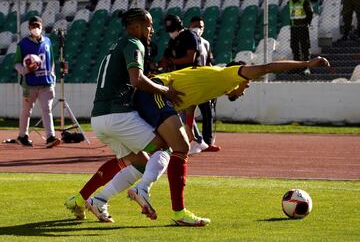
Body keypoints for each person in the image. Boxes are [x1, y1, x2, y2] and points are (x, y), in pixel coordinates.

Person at [65, 56, 330, 225]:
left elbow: (187, 105)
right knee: (177, 149)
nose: (246, 85)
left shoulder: (216, 82)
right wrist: (306, 64)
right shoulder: (228, 74)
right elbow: (268, 67)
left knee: (140, 156)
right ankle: (163, 203)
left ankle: (90, 199)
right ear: (240, 71)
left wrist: (186, 129)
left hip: (153, 98)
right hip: (156, 92)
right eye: (246, 81)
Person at [65, 8, 210, 226]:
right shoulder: (134, 44)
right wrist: (165, 92)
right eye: (148, 25)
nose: (151, 30)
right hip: (118, 116)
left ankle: (97, 200)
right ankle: (161, 202)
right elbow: (137, 80)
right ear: (135, 26)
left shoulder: (115, 46)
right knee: (164, 148)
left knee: (139, 161)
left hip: (100, 119)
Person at [159, 14, 210, 154]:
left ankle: (193, 139)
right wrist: (159, 65)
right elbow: (166, 58)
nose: (171, 32)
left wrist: (171, 62)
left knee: (185, 109)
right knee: (183, 109)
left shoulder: (189, 36)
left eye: (172, 29)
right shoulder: (173, 41)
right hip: (181, 77)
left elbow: (190, 58)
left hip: (193, 75)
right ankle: (197, 140)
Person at [14, 16, 61, 148]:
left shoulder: (47, 42)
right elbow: (16, 64)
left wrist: (53, 79)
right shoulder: (22, 44)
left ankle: (50, 137)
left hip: (46, 83)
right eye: (33, 26)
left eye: (38, 26)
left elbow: (51, 62)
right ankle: (22, 136)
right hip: (29, 84)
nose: (36, 28)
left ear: (42, 27)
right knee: (26, 111)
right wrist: (26, 69)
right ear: (29, 28)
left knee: (47, 110)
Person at [189, 16, 220, 153]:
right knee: (187, 114)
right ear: (190, 26)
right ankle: (195, 139)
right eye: (195, 26)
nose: (198, 29)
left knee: (208, 113)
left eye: (201, 26)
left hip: (203, 82)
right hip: (190, 82)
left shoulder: (206, 43)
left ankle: (207, 142)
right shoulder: (187, 41)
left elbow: (208, 62)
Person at [289, 0, 313, 75]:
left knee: (305, 47)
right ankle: (297, 67)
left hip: (302, 27)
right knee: (295, 47)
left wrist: (305, 23)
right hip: (293, 27)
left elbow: (310, 13)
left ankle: (306, 67)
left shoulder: (304, 0)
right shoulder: (291, 1)